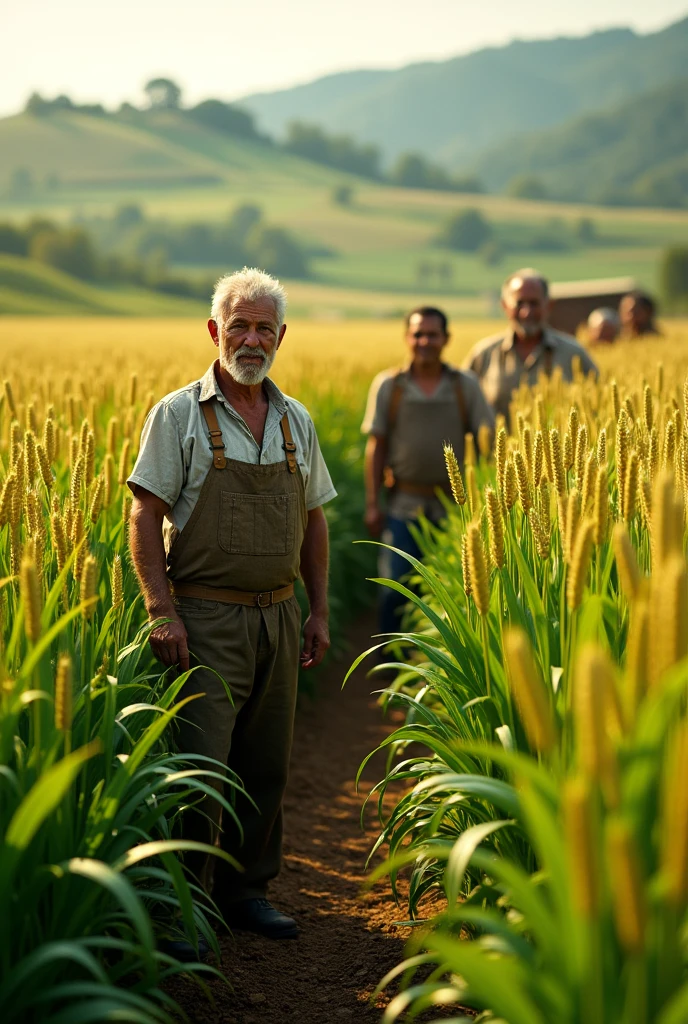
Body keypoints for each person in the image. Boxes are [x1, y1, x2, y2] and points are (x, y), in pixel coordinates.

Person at [127, 268, 336, 952]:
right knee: (199, 765)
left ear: (282, 336)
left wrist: (319, 610)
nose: (251, 339)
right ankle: (183, 905)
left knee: (265, 764)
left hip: (278, 614)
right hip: (205, 619)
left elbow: (313, 520)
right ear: (216, 331)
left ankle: (247, 891)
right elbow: (145, 512)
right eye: (239, 326)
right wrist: (161, 609)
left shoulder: (294, 418)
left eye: (264, 328)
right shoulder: (179, 413)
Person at [362, 306, 494, 636]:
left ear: (446, 339)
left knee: (450, 591)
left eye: (432, 334)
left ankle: (434, 666)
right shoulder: (389, 385)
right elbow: (376, 446)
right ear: (407, 337)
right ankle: (392, 655)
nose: (425, 341)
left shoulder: (466, 385)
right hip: (403, 503)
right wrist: (372, 503)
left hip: (456, 508)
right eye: (418, 334)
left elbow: (488, 442)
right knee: (395, 587)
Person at [464, 268, 598, 420]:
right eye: (519, 303)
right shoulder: (483, 354)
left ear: (549, 305)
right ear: (505, 306)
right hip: (494, 444)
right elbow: (462, 405)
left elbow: (597, 406)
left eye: (534, 303)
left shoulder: (574, 354)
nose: (526, 312)